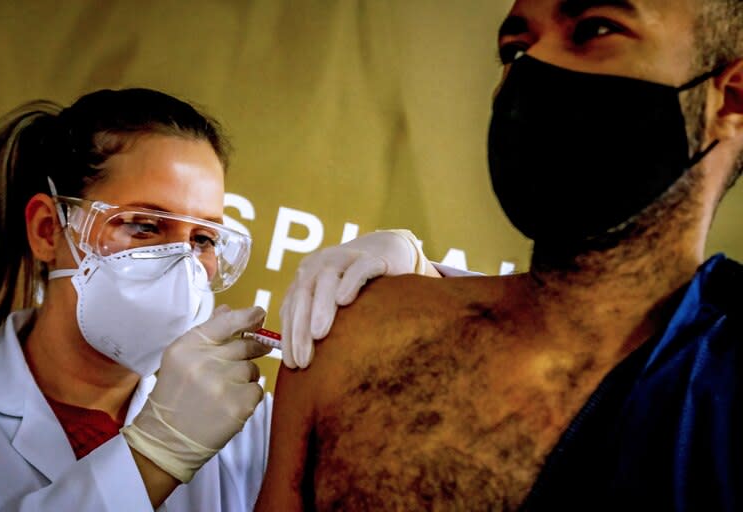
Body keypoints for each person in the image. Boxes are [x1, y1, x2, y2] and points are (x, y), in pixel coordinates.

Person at [257, 0, 743, 510]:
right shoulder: (357, 341)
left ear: (728, 98)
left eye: (595, 29)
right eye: (515, 48)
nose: (533, 67)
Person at [0, 88, 432, 511]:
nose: (181, 261)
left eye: (203, 238)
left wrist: (424, 282)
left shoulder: (244, 422)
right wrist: (153, 455)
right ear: (47, 230)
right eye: (144, 226)